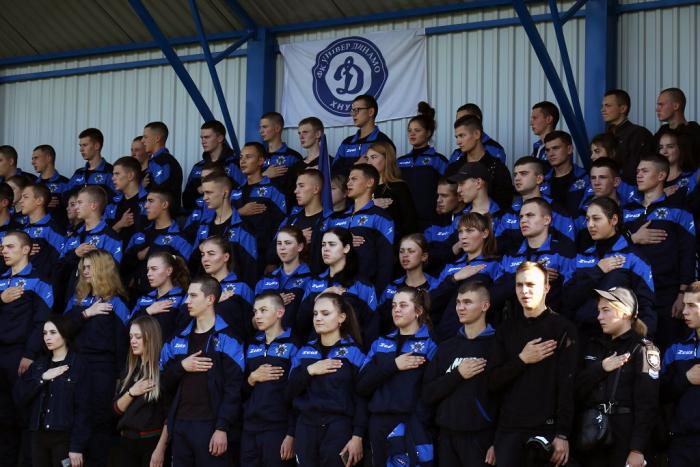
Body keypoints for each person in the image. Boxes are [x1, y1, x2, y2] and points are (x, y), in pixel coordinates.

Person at [489, 261, 578, 467]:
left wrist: (562, 434)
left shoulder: (563, 328)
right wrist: (522, 360)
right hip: (509, 431)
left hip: (547, 431)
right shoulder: (505, 330)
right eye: (519, 285)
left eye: (531, 284)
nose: (524, 291)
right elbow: (492, 383)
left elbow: (567, 386)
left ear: (546, 287)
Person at [160, 276, 245, 466]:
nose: (187, 301)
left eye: (193, 296)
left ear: (210, 299)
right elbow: (162, 380)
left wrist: (222, 427)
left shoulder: (229, 338)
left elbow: (234, 388)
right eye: (187, 296)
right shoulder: (178, 338)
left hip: (211, 426)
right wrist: (182, 367)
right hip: (180, 424)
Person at [574, 287, 659, 467]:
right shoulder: (593, 345)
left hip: (624, 439)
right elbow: (575, 389)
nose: (599, 317)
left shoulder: (642, 349)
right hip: (592, 437)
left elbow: (647, 404)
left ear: (626, 313)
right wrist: (601, 368)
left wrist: (637, 449)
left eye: (606, 310)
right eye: (599, 311)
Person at [357, 286, 437, 467]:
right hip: (378, 424)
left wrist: (417, 422)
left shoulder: (430, 345)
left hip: (411, 424)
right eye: (394, 305)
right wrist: (393, 366)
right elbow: (361, 385)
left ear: (418, 311)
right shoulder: (380, 343)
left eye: (403, 305)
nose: (396, 310)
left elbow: (432, 391)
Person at [64, 249, 130, 467]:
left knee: (99, 423)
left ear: (103, 269)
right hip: (75, 365)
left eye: (89, 267)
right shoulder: (77, 299)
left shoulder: (117, 302)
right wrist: (86, 313)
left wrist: (120, 377)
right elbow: (62, 329)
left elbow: (123, 344)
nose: (84, 271)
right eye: (82, 267)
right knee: (73, 418)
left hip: (103, 370)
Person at [286, 293, 367, 467]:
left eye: (325, 313)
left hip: (339, 427)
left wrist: (358, 435)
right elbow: (289, 391)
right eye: (315, 314)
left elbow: (362, 396)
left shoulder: (354, 352)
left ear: (341, 318)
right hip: (306, 427)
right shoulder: (304, 351)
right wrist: (310, 370)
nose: (318, 318)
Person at [623, 154, 695, 349]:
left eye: (645, 171)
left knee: (666, 349)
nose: (639, 175)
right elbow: (610, 246)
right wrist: (633, 238)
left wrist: (682, 293)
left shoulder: (678, 211)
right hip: (632, 294)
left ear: (661, 175)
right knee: (636, 352)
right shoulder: (626, 210)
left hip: (667, 294)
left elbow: (687, 254)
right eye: (638, 171)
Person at [422, 282, 497, 467]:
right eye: (458, 302)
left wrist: (497, 440)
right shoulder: (446, 347)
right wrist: (458, 375)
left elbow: (506, 397)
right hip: (446, 437)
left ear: (485, 306)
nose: (460, 308)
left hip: (481, 438)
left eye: (467, 302)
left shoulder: (497, 345)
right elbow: (427, 393)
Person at [564, 197, 655, 341]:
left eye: (596, 219)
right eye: (587, 219)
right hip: (583, 338)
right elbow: (568, 300)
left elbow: (646, 307)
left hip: (619, 341)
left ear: (614, 220)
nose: (590, 225)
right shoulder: (581, 257)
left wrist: (640, 343)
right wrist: (597, 271)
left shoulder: (634, 258)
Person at [0, 231, 53, 464]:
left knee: (23, 417)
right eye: (3, 247)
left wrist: (30, 354)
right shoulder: (1, 280)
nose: (4, 251)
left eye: (10, 246)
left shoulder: (40, 282)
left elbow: (41, 322)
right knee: (3, 418)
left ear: (26, 250)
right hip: (0, 354)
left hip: (21, 356)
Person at [15, 317, 90, 467]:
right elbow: (19, 396)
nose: (47, 337)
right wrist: (42, 378)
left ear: (65, 334)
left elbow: (84, 409)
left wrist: (76, 446)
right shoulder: (38, 365)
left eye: (53, 332)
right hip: (38, 437)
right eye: (45, 333)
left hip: (64, 439)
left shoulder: (79, 365)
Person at [495, 198, 575, 322]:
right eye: (521, 217)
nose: (523, 220)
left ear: (547, 220)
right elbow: (495, 296)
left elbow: (571, 297)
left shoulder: (563, 252)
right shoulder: (511, 255)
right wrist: (530, 274)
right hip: (517, 327)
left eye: (530, 215)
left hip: (553, 325)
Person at [242, 292, 298, 467]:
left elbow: (298, 392)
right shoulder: (251, 345)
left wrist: (291, 433)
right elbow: (238, 389)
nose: (257, 316)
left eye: (263, 310)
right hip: (250, 428)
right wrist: (252, 378)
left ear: (280, 312)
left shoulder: (294, 344)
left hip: (278, 428)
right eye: (255, 311)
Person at [297, 228, 378, 347]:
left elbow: (372, 328)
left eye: (332, 244)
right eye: (323, 245)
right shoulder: (314, 283)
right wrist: (319, 298)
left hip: (349, 352)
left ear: (346, 248)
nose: (326, 249)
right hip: (315, 352)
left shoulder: (362, 285)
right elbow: (300, 324)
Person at [430, 212, 503, 342]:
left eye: (469, 230)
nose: (463, 236)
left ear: (485, 233)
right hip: (445, 338)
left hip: (479, 338)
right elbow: (430, 302)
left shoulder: (495, 265)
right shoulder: (450, 267)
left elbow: (497, 300)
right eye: (460, 231)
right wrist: (454, 279)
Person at [325, 164, 395, 295]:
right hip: (334, 288)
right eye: (348, 180)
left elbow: (386, 260)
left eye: (354, 179)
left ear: (370, 182)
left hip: (363, 290)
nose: (348, 183)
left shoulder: (381, 217)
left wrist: (376, 293)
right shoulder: (336, 218)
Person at [113, 315, 168, 467]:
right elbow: (116, 409)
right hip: (126, 441)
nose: (133, 341)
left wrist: (160, 450)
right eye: (131, 337)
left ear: (150, 338)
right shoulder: (130, 369)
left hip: (151, 443)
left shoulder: (162, 371)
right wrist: (132, 392)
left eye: (138, 337)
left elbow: (170, 416)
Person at [124, 188, 193, 297]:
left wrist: (152, 252)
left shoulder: (179, 238)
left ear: (164, 205)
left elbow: (185, 271)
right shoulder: (140, 234)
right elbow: (123, 263)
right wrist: (137, 256)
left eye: (151, 201)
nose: (146, 206)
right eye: (146, 201)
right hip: (137, 298)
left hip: (167, 298)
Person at [500, 156, 576, 253]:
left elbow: (569, 248)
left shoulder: (557, 212)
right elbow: (497, 249)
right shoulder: (508, 213)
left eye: (524, 174)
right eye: (515, 175)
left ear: (539, 179)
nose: (517, 178)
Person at [194, 173, 258, 286]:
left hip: (234, 291)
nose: (204, 198)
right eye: (204, 193)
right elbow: (194, 263)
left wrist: (241, 293)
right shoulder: (204, 226)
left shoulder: (243, 227)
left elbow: (251, 269)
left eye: (209, 192)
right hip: (206, 291)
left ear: (225, 193)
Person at [233, 142, 288, 273]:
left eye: (248, 157)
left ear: (261, 161)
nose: (243, 161)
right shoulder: (235, 192)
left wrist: (272, 259)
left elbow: (283, 225)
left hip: (262, 257)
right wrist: (240, 212)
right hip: (236, 257)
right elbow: (222, 222)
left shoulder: (273, 190)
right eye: (241, 157)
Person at [662, 281, 700, 466]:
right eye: (684, 305)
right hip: (682, 443)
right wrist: (685, 379)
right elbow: (660, 393)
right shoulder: (676, 348)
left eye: (691, 305)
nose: (684, 311)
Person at [399, 102, 448, 229]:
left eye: (417, 130)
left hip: (432, 220)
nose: (412, 134)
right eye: (409, 130)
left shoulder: (438, 160)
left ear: (428, 133)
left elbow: (449, 190)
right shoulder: (400, 161)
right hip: (404, 221)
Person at [447, 116, 514, 209]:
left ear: (477, 134)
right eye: (456, 137)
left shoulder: (497, 168)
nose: (458, 142)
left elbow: (505, 204)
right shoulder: (453, 168)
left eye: (462, 136)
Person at [378, 234, 438, 333]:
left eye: (411, 251)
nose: (405, 255)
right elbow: (380, 320)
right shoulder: (392, 287)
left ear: (424, 256)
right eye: (401, 251)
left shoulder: (436, 285)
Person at [198, 236, 254, 341]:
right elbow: (183, 321)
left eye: (211, 254)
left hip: (231, 347)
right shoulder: (197, 287)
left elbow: (250, 326)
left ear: (226, 257)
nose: (205, 259)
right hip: (200, 345)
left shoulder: (241, 287)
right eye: (203, 254)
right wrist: (212, 302)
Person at [255, 227, 312, 331]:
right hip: (264, 339)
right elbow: (254, 323)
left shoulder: (310, 279)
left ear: (300, 247)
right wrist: (275, 303)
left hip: (295, 338)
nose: (282, 248)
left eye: (287, 243)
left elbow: (309, 320)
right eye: (279, 243)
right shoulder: (265, 280)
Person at [183, 120, 244, 211]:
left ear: (220, 138)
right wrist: (198, 190)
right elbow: (186, 200)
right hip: (200, 217)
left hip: (226, 215)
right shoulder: (198, 167)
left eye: (207, 137)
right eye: (202, 138)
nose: (203, 141)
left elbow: (242, 193)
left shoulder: (235, 164)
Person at [129, 251, 190, 341]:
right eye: (148, 269)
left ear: (169, 271)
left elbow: (183, 331)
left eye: (154, 269)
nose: (148, 273)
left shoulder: (183, 297)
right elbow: (129, 327)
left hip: (167, 349)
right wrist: (147, 311)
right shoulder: (144, 298)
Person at [276, 169, 324, 273]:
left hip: (319, 279)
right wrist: (297, 238)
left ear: (316, 189)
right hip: (291, 278)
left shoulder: (329, 219)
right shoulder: (291, 219)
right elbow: (271, 254)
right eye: (296, 186)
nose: (295, 191)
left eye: (301, 186)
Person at [334, 94, 395, 176]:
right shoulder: (346, 143)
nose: (353, 114)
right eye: (353, 110)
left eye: (357, 110)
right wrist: (355, 166)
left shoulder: (383, 142)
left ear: (371, 112)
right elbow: (334, 171)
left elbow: (389, 174)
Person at [602, 89, 655, 184]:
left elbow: (637, 169)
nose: (602, 110)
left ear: (623, 109)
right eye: (602, 106)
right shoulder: (606, 136)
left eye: (608, 106)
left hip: (630, 189)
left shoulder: (638, 134)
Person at [20, 183, 67, 281]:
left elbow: (62, 262)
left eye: (25, 197)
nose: (21, 201)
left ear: (39, 200)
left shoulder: (53, 229)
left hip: (43, 286)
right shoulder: (22, 229)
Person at [542, 130, 591, 217]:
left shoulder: (587, 177)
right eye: (548, 150)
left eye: (555, 148)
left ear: (569, 149)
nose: (551, 154)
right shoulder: (542, 182)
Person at [424, 178, 465, 275]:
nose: (438, 200)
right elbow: (424, 256)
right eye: (438, 195)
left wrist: (437, 251)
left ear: (459, 196)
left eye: (444, 196)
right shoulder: (435, 219)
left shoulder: (468, 219)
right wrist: (452, 250)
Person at [260, 112, 304, 198]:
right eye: (260, 127)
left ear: (277, 128)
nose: (261, 131)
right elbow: (247, 183)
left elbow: (299, 186)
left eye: (265, 127)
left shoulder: (293, 157)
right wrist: (264, 175)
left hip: (286, 204)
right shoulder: (259, 156)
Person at [142, 121, 183, 210]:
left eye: (145, 137)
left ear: (157, 138)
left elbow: (158, 193)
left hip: (164, 214)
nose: (142, 141)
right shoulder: (157, 160)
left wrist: (141, 188)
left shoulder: (162, 161)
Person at [107, 156, 148, 245]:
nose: (113, 178)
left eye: (117, 174)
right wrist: (119, 225)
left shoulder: (149, 201)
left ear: (130, 176)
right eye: (113, 174)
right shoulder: (113, 203)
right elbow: (101, 236)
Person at [655, 87, 700, 167]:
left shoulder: (695, 133)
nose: (657, 109)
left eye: (661, 104)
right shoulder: (661, 132)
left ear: (676, 106)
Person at [66, 128, 115, 197]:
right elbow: (65, 195)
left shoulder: (110, 172)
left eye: (85, 145)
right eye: (80, 146)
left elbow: (118, 197)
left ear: (97, 146)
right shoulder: (78, 173)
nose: (81, 149)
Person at [31, 144, 69, 223]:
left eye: (36, 158)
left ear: (48, 158)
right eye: (32, 159)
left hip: (59, 229)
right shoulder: (32, 185)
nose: (32, 162)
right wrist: (45, 202)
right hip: (36, 228)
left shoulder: (65, 183)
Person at [657, 127, 694, 194]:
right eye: (661, 147)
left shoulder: (691, 177)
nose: (664, 152)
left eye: (670, 146)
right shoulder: (652, 178)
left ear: (680, 149)